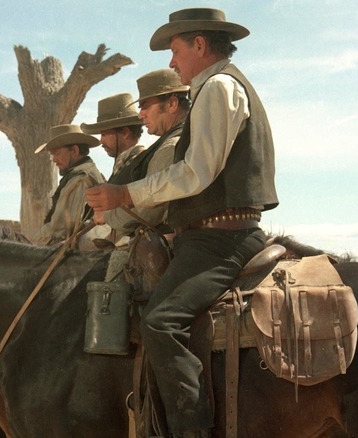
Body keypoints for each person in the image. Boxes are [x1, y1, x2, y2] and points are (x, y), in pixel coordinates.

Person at [85, 8, 278, 437]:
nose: (172, 63)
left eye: (175, 51)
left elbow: (196, 172)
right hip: (214, 234)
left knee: (160, 321)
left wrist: (126, 195)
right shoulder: (221, 86)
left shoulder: (218, 87)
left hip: (219, 239)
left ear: (199, 45)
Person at [100, 68, 190, 241]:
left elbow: (148, 212)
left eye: (145, 106)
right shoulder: (179, 138)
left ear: (172, 104)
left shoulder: (170, 147)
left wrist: (107, 216)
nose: (140, 115)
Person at [32, 124, 105, 246]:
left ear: (75, 151)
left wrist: (31, 245)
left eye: (56, 153)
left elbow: (60, 229)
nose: (54, 159)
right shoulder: (85, 174)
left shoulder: (80, 178)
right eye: (52, 154)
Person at [80, 93, 145, 177]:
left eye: (104, 134)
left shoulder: (141, 163)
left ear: (125, 133)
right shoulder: (124, 164)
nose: (101, 141)